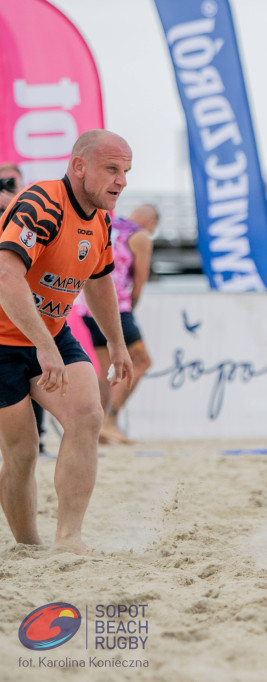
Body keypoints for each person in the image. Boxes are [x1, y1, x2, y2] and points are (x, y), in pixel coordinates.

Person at [0, 129, 134, 554]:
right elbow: (6, 274)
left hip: (51, 335)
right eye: (112, 169)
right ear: (79, 166)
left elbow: (99, 283)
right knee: (21, 453)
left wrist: (116, 342)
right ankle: (29, 546)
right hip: (5, 341)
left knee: (87, 416)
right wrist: (42, 344)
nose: (122, 181)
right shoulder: (41, 201)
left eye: (126, 171)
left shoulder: (101, 220)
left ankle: (69, 537)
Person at [78, 204, 160, 444]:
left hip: (86, 305)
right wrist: (130, 309)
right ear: (151, 221)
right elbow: (139, 282)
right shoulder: (142, 237)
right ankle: (110, 422)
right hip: (114, 307)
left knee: (105, 371)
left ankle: (99, 427)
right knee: (142, 361)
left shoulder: (107, 226)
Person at [0, 163, 49, 453]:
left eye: (11, 184)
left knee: (37, 374)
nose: (5, 190)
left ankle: (40, 436)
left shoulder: (30, 210)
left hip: (25, 312)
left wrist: (13, 206)